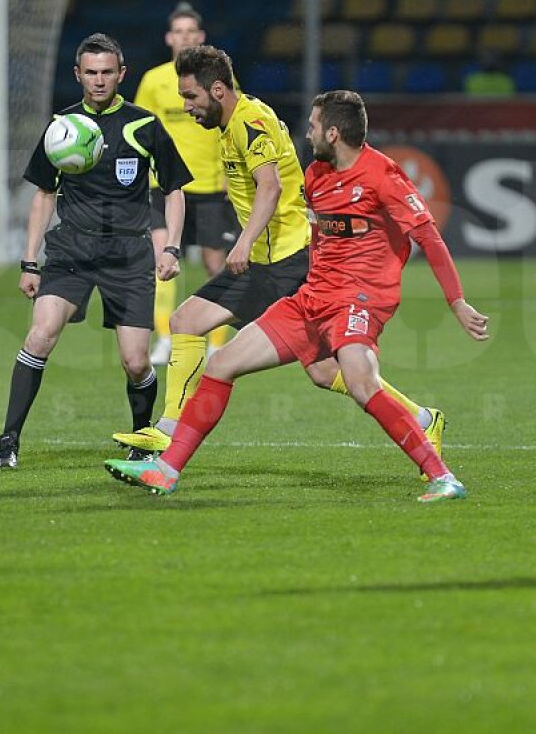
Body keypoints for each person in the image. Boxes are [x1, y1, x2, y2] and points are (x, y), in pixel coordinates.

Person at [105, 90, 489, 501]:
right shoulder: (316, 177)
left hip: (358, 299)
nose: (306, 132)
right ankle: (165, 471)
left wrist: (457, 302)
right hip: (312, 297)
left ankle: (442, 476)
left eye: (312, 125)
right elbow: (317, 233)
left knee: (360, 380)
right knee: (221, 364)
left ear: (334, 133)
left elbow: (428, 236)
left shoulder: (383, 174)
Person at [0, 33, 189, 469]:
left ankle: (142, 439)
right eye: (91, 73)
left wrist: (170, 245)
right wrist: (29, 260)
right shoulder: (62, 127)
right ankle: (8, 441)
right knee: (40, 336)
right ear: (77, 74)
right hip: (71, 253)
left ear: (122, 74)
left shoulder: (145, 125)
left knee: (136, 361)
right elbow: (44, 195)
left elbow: (174, 189)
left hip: (129, 255)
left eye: (107, 72)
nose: (99, 81)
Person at [133, 7, 239, 365]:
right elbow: (140, 130)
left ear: (200, 36)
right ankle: (165, 338)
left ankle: (218, 341)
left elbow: (233, 123)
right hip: (163, 185)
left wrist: (232, 173)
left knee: (216, 264)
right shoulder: (153, 80)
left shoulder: (220, 80)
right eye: (178, 31)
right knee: (163, 258)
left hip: (209, 184)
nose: (184, 37)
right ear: (169, 38)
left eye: (191, 31)